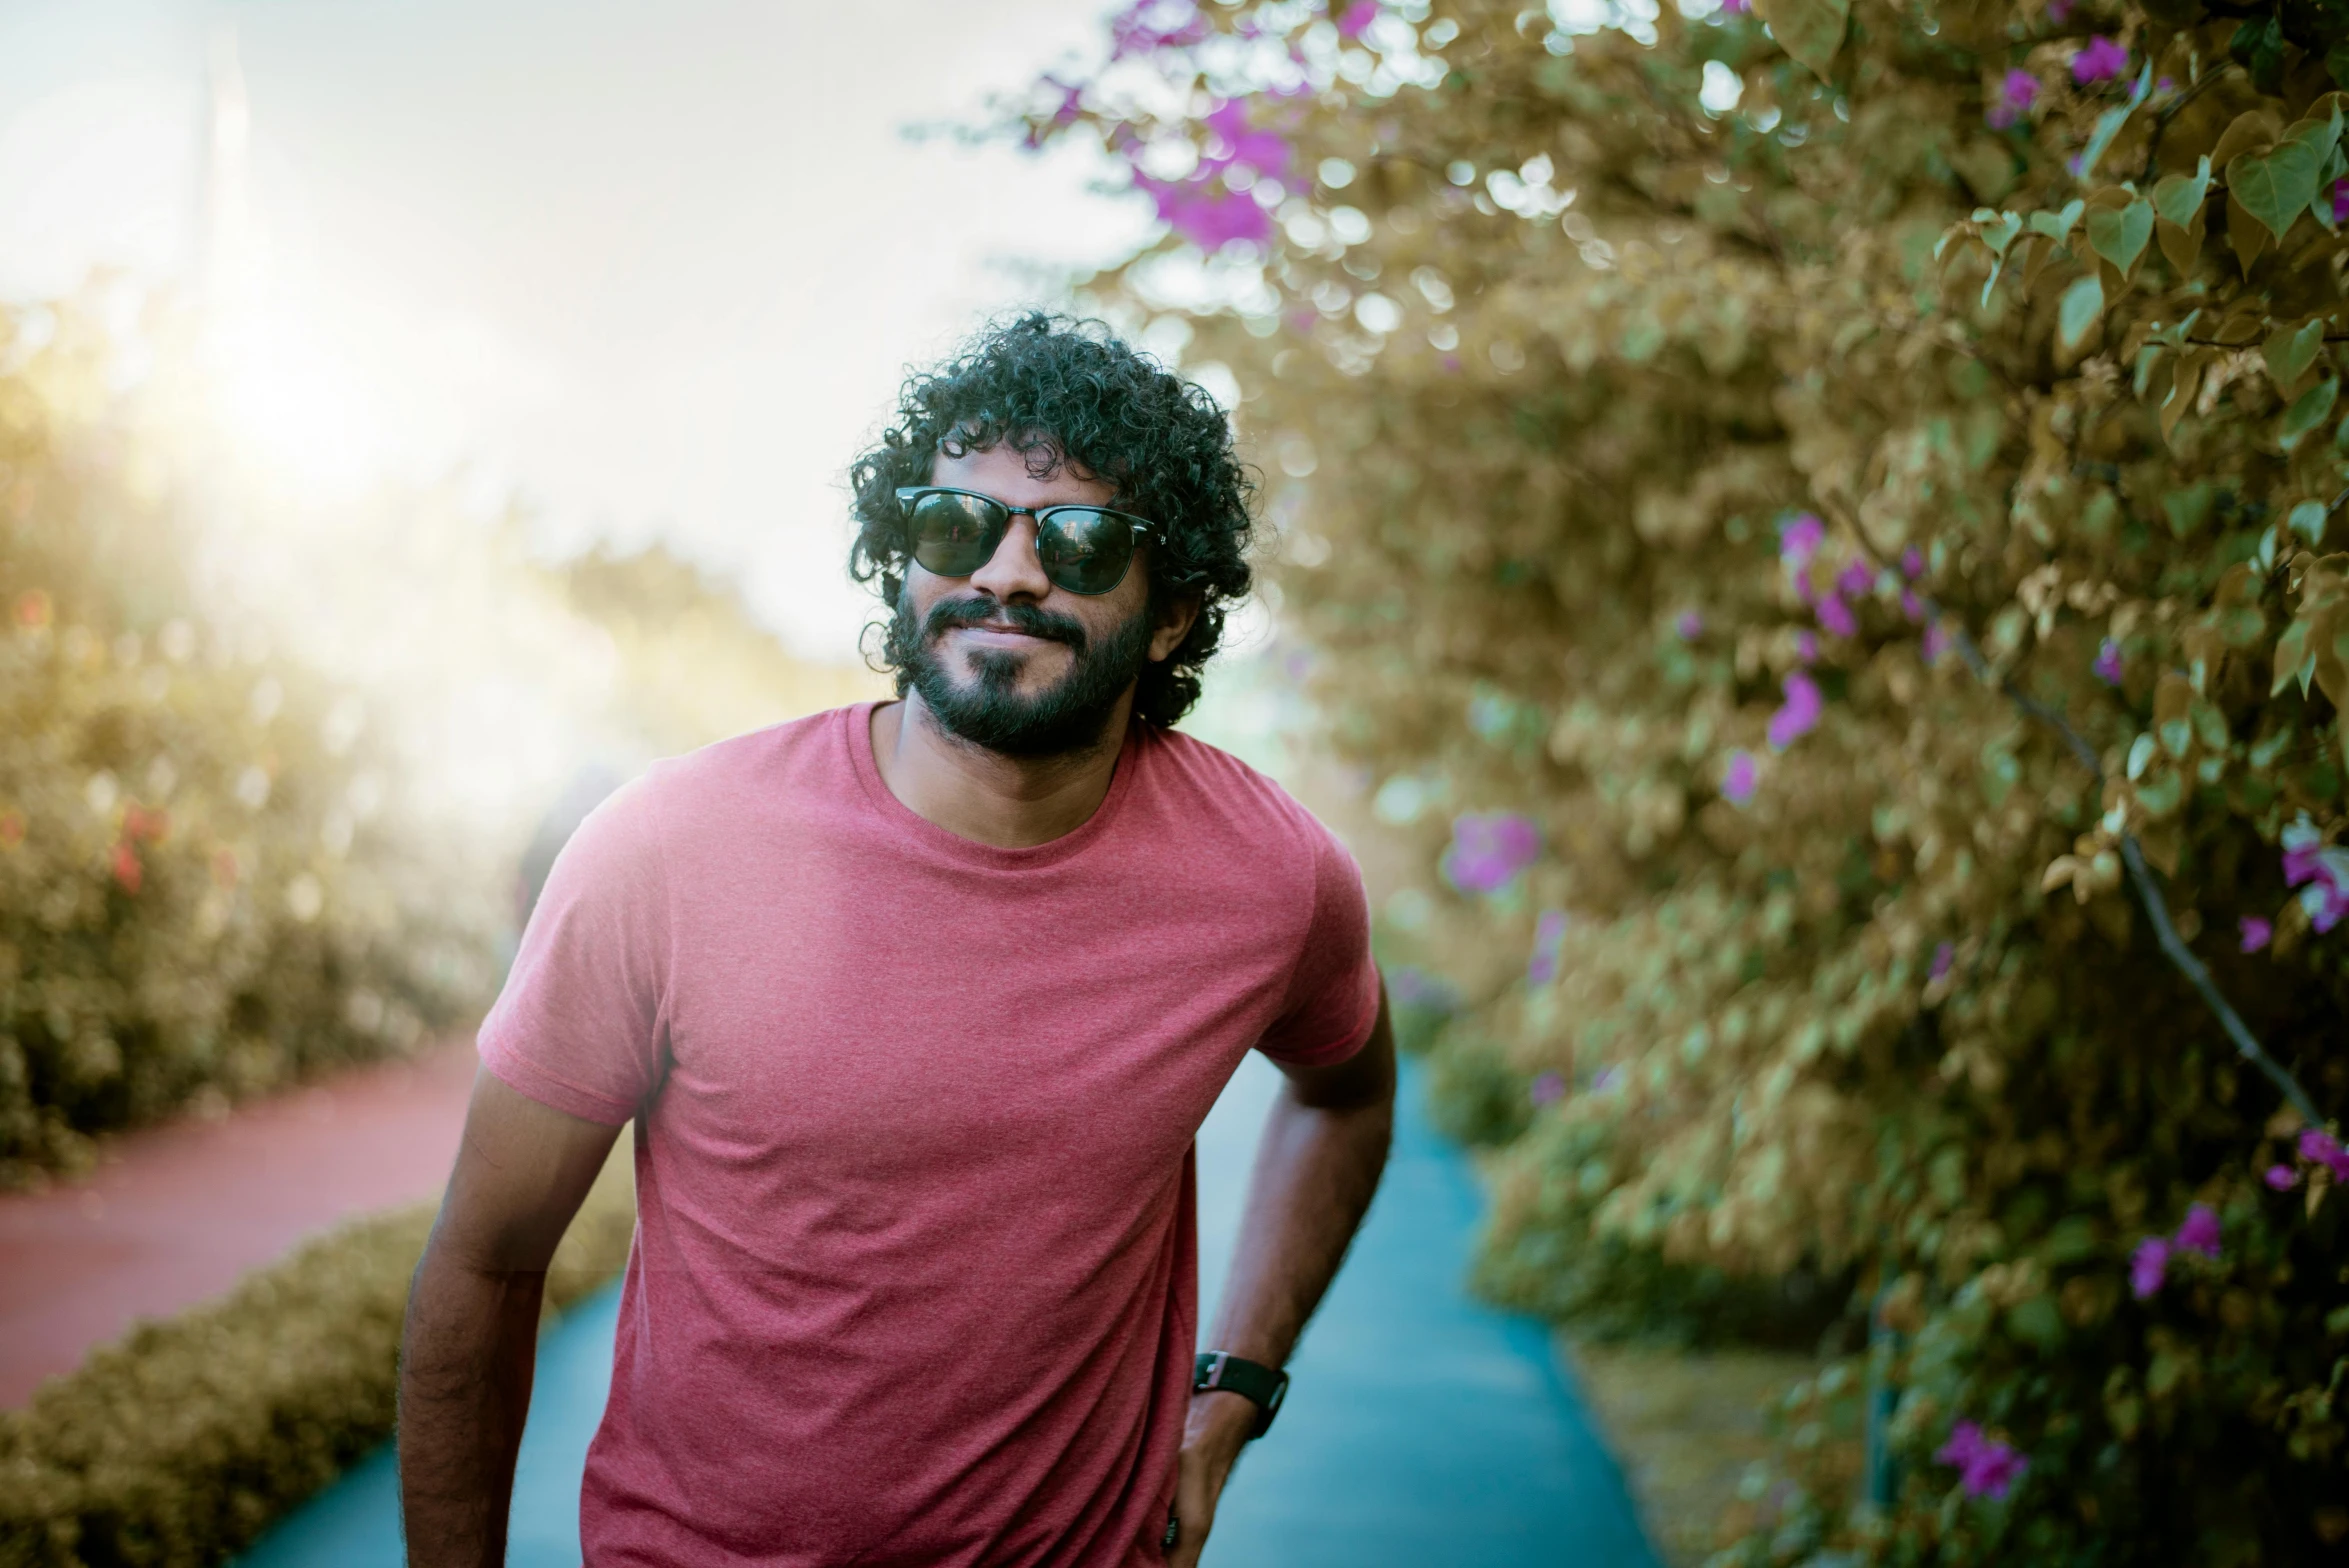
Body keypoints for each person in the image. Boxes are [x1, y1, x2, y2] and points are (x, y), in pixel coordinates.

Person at [398, 314, 1395, 1567]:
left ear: (1172, 614)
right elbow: (485, 1263)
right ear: (904, 560)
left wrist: (1236, 1385)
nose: (1011, 574)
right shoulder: (667, 846)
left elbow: (1345, 1097)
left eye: (1081, 541)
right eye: (957, 525)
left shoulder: (1271, 875)